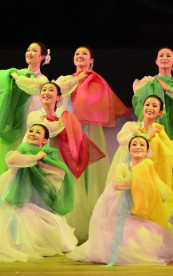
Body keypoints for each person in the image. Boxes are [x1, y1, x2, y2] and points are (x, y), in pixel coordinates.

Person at [69, 136, 173, 265]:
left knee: (155, 234)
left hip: (141, 213)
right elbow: (118, 183)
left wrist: (150, 189)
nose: (138, 147)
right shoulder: (123, 167)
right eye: (134, 145)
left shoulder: (149, 169)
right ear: (129, 150)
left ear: (147, 151)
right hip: (121, 213)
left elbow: (162, 194)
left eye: (142, 145)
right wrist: (139, 179)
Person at [0, 124, 78, 262]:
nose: (32, 133)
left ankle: (42, 241)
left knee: (46, 217)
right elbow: (11, 160)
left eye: (38, 132)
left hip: (34, 189)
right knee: (16, 216)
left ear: (45, 140)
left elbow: (59, 172)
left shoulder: (47, 153)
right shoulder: (23, 149)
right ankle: (18, 244)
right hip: (14, 188)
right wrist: (35, 157)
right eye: (31, 131)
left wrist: (41, 163)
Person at [55, 46, 130, 213]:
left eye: (84, 54)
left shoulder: (96, 81)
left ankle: (91, 209)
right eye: (77, 54)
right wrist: (78, 79)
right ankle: (73, 209)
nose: (80, 56)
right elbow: (60, 91)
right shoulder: (65, 79)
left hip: (89, 127)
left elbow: (101, 105)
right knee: (69, 163)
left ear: (91, 60)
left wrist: (85, 79)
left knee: (90, 166)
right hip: (68, 125)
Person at [26, 81, 105, 241]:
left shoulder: (66, 116)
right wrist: (62, 123)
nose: (46, 93)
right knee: (41, 194)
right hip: (40, 159)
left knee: (63, 192)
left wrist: (63, 122)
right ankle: (43, 235)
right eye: (43, 90)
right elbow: (46, 128)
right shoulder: (35, 115)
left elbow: (75, 137)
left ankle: (65, 234)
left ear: (58, 97)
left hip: (61, 159)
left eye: (51, 90)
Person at [110, 94, 173, 237]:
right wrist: (147, 136)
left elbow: (168, 155)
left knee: (150, 208)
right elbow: (123, 140)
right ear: (143, 108)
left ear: (160, 112)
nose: (150, 108)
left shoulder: (160, 133)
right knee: (128, 205)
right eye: (148, 105)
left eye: (155, 106)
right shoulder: (131, 126)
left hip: (151, 174)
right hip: (131, 171)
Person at [0, 42, 51, 181]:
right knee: (4, 157)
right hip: (10, 121)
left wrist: (15, 77)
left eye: (34, 51)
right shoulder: (18, 72)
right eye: (28, 50)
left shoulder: (42, 79)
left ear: (42, 57)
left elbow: (29, 86)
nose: (30, 53)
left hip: (27, 123)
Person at [131, 47, 173, 146]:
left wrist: (168, 88)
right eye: (161, 55)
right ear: (156, 61)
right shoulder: (148, 81)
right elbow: (137, 95)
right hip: (152, 123)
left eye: (168, 56)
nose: (164, 58)